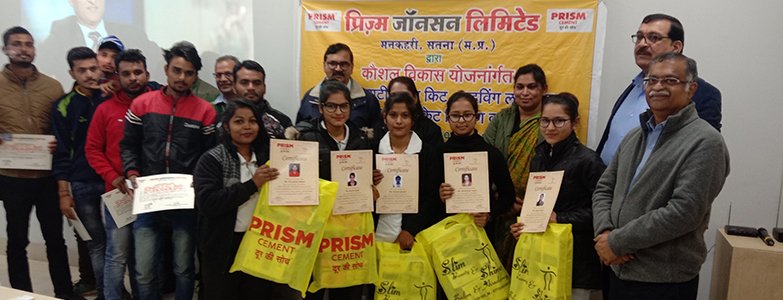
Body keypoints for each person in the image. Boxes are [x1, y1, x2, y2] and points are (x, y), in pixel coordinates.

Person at [592, 52, 729, 300]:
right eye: (651, 80)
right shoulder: (635, 136)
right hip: (616, 269)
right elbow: (604, 188)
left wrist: (617, 242)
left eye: (670, 80)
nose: (657, 87)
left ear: (691, 89)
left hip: (662, 280)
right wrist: (604, 233)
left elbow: (683, 212)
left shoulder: (706, 142)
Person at [120, 42, 216, 300]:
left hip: (184, 201)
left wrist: (200, 180)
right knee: (144, 270)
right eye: (177, 70)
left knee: (184, 268)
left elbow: (208, 154)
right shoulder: (141, 104)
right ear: (166, 69)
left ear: (195, 75)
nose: (182, 77)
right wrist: (131, 173)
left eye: (189, 73)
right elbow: (128, 144)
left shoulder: (206, 111)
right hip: (148, 199)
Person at [0, 26, 85, 300]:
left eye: (28, 44)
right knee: (17, 241)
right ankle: (21, 293)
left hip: (47, 176)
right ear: (5, 50)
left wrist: (55, 142)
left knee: (55, 240)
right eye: (16, 44)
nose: (23, 48)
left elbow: (63, 130)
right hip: (11, 176)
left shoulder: (52, 86)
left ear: (34, 49)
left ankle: (64, 292)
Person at [193, 99, 300, 299]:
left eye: (252, 121)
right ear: (227, 126)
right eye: (239, 121)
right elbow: (208, 204)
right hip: (223, 248)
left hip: (261, 244)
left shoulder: (268, 158)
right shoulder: (212, 159)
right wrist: (253, 184)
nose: (247, 127)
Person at [510, 93, 606, 300]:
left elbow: (603, 213)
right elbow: (537, 207)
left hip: (576, 266)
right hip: (541, 261)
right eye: (545, 121)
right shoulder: (539, 157)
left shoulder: (588, 161)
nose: (550, 127)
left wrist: (559, 218)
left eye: (559, 121)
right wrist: (525, 226)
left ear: (575, 122)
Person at [293, 79, 380, 300]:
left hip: (347, 230)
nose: (338, 112)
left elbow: (363, 180)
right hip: (316, 226)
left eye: (344, 106)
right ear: (321, 108)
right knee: (313, 288)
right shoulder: (305, 136)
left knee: (348, 287)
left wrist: (370, 189)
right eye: (331, 106)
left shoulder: (361, 138)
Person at [596, 14, 721, 166]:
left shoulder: (702, 94)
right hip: (604, 184)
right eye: (639, 37)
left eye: (653, 38)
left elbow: (702, 156)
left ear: (676, 47)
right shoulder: (633, 86)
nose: (642, 44)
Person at [86, 49, 151, 300]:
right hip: (119, 193)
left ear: (147, 74)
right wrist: (113, 177)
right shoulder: (105, 109)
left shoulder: (159, 103)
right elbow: (92, 149)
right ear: (117, 76)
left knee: (144, 257)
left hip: (153, 194)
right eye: (126, 74)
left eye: (138, 72)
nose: (133, 78)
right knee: (117, 255)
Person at [51, 46, 107, 300]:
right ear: (72, 73)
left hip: (114, 183)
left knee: (120, 244)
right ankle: (107, 292)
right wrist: (64, 192)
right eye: (81, 70)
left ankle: (118, 289)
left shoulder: (111, 97)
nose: (89, 75)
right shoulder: (63, 106)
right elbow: (61, 152)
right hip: (83, 184)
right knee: (95, 244)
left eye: (93, 68)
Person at [482, 64, 547, 272]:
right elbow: (484, 159)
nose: (525, 92)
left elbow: (555, 167)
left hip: (536, 211)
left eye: (532, 86)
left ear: (543, 89)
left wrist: (529, 204)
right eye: (520, 87)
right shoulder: (502, 119)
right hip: (500, 207)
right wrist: (501, 196)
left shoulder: (550, 121)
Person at [437, 92, 515, 243]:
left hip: (481, 231)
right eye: (455, 115)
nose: (461, 121)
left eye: (467, 115)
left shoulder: (491, 153)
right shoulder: (438, 152)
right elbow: (427, 198)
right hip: (447, 232)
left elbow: (508, 196)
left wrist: (489, 213)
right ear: (447, 117)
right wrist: (439, 195)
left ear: (477, 117)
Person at [375, 93, 444, 250]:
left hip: (415, 235)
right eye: (393, 115)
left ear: (413, 120)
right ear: (385, 118)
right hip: (377, 233)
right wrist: (369, 185)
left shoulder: (428, 154)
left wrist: (410, 229)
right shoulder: (372, 151)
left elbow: (432, 198)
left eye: (405, 115)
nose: (399, 121)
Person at [37, 0, 162, 86]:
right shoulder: (60, 35)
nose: (93, 2)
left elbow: (161, 60)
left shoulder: (132, 32)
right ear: (72, 1)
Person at [296, 43, 382, 130]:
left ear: (352, 67)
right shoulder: (310, 98)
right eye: (332, 63)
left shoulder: (368, 100)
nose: (338, 69)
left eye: (344, 64)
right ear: (324, 66)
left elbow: (375, 139)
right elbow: (300, 137)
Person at [373, 76, 443, 148]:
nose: (399, 99)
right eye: (394, 95)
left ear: (415, 98)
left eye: (404, 95)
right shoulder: (379, 128)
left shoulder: (431, 130)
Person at [233, 60, 293, 139]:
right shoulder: (223, 121)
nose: (251, 87)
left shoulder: (282, 121)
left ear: (264, 88)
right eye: (244, 82)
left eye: (257, 83)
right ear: (234, 87)